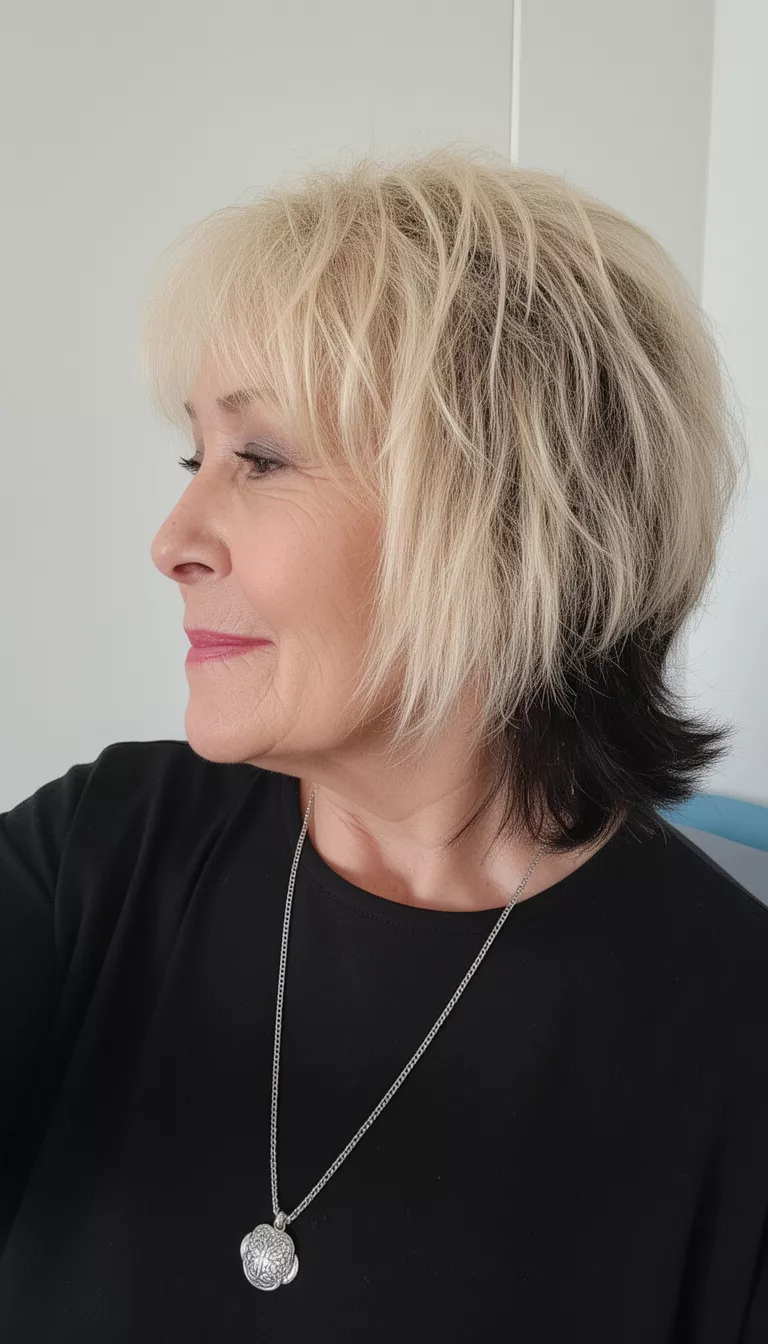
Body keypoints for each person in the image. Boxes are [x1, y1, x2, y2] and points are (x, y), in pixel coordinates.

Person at [1, 145, 766, 1343]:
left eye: (258, 459)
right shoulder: (102, 849)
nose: (175, 537)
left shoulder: (735, 1038)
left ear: (513, 513)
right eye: (192, 456)